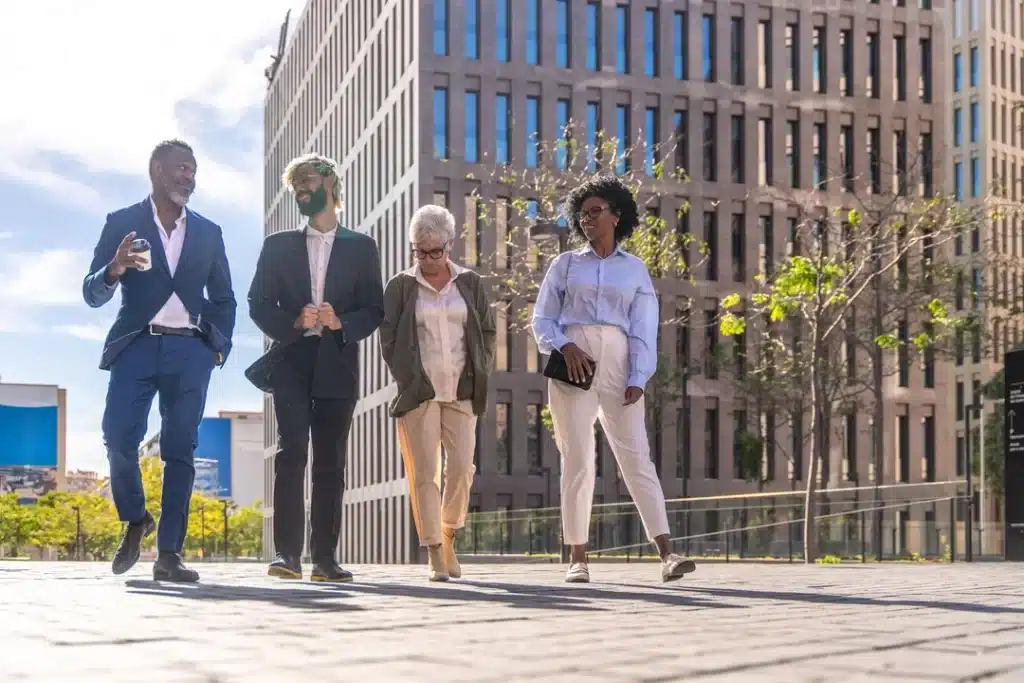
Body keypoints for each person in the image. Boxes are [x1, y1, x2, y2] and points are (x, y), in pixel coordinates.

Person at [82, 139, 236, 582]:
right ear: (157, 170)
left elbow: (223, 297)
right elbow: (91, 293)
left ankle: (169, 555)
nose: (189, 177)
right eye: (181, 168)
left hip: (190, 351)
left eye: (193, 170)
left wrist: (216, 348)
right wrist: (113, 269)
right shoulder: (122, 222)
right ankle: (135, 518)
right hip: (136, 347)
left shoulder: (209, 232)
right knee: (118, 438)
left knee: (180, 451)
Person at [532, 175, 696, 584]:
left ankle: (668, 554)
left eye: (595, 212)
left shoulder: (635, 269)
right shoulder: (565, 265)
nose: (587, 219)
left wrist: (639, 375)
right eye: (581, 214)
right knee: (577, 459)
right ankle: (577, 558)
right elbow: (542, 319)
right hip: (573, 366)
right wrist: (564, 345)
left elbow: (644, 327)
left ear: (616, 215)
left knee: (637, 457)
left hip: (620, 365)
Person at [246, 153, 384, 583]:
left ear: (329, 183)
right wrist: (293, 321)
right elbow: (257, 303)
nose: (301, 192)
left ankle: (325, 559)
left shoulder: (362, 247)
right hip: (292, 360)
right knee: (291, 453)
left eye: (307, 183)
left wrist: (341, 322)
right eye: (296, 187)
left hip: (338, 364)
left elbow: (374, 308)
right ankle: (287, 555)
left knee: (331, 460)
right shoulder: (277, 245)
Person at [379, 205, 495, 582]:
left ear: (450, 245)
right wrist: (409, 378)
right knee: (425, 472)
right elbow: (389, 340)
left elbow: (487, 331)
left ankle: (448, 537)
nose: (427, 259)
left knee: (461, 469)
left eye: (435, 251)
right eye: (419, 251)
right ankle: (432, 551)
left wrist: (480, 368)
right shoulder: (400, 286)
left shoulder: (470, 282)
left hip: (462, 390)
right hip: (420, 393)